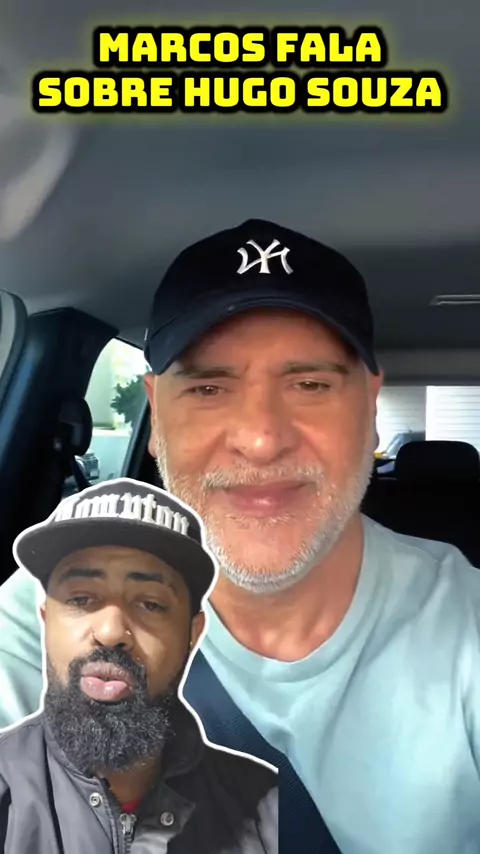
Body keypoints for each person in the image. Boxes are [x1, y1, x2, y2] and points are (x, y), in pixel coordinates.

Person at [0, 218, 480, 853]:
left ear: (370, 405)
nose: (260, 438)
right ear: (155, 413)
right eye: (208, 387)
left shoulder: (465, 622)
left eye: (309, 384)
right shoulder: (53, 607)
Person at [0, 478, 278, 854]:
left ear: (193, 634)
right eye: (80, 599)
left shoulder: (266, 810)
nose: (111, 631)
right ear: (46, 621)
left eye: (150, 604)